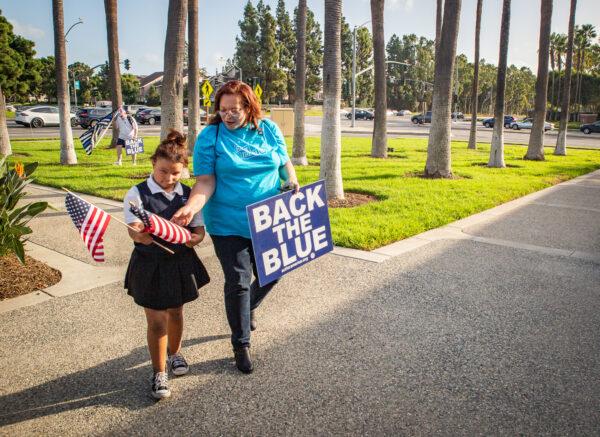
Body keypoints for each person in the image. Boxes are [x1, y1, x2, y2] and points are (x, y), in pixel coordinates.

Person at [172, 80, 299, 374]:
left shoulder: (268, 129)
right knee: (238, 281)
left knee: (275, 270)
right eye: (224, 109)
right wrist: (191, 208)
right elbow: (205, 181)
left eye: (236, 110)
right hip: (227, 221)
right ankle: (241, 344)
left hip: (267, 217)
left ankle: (247, 307)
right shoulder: (210, 136)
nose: (229, 115)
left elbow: (284, 163)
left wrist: (291, 179)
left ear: (249, 108)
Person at [123, 130, 210, 399]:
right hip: (150, 264)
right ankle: (159, 372)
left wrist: (194, 239)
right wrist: (140, 234)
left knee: (176, 312)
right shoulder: (137, 194)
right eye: (163, 172)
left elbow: (198, 230)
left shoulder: (188, 194)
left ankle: (176, 353)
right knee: (157, 321)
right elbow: (133, 229)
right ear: (153, 164)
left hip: (179, 262)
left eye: (175, 173)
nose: (169, 179)